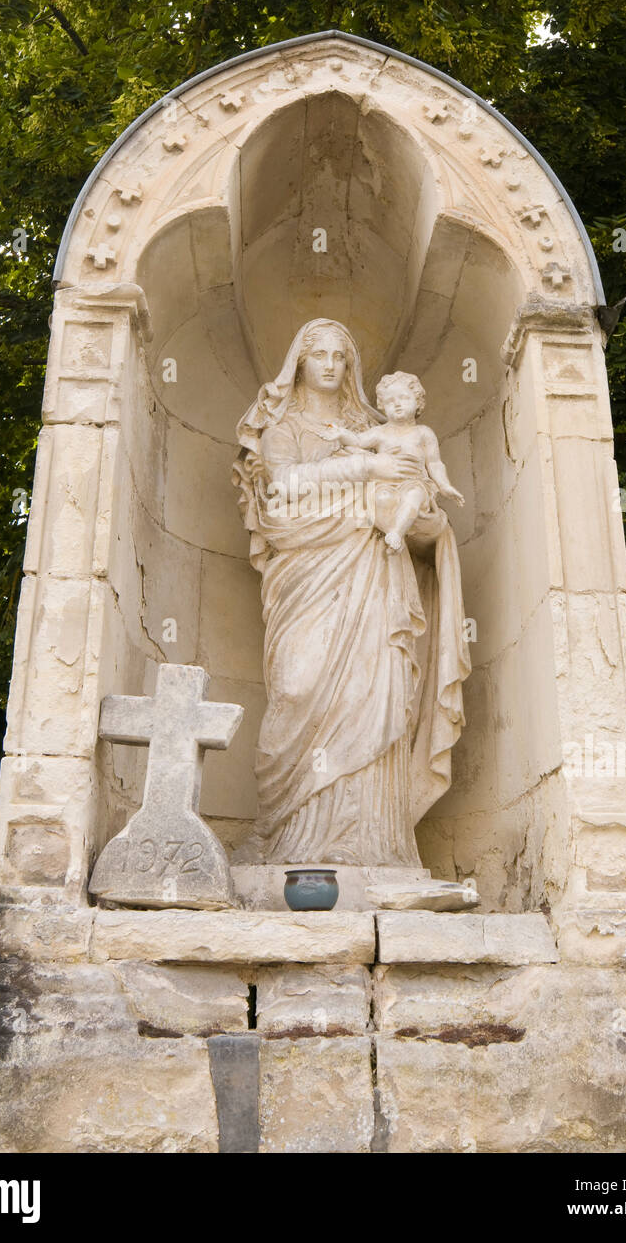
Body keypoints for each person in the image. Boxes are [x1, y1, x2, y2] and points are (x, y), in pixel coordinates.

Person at [232, 318, 470, 867]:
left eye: (341, 355)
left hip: (374, 576)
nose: (330, 364)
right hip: (304, 578)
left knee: (375, 690)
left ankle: (374, 847)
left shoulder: (377, 423)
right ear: (299, 362)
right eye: (318, 353)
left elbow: (418, 501)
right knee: (297, 686)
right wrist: (365, 469)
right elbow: (281, 489)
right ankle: (284, 839)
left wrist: (420, 513)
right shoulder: (283, 427)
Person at [322, 370, 466, 553]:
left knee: (414, 495)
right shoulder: (381, 432)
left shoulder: (423, 433)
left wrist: (445, 486)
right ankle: (390, 536)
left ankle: (397, 533)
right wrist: (341, 434)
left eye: (404, 398)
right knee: (378, 498)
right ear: (382, 405)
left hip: (415, 482)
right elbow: (358, 441)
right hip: (385, 483)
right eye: (390, 401)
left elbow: (435, 463)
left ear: (418, 401)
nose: (397, 404)